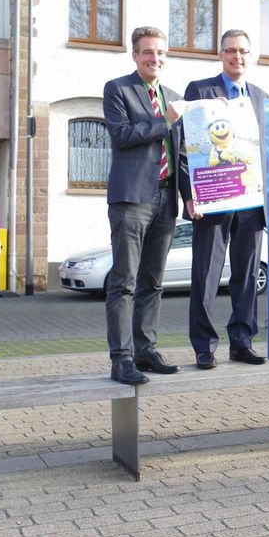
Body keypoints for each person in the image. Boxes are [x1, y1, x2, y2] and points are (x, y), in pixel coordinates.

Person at [102, 26, 187, 384]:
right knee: (124, 282)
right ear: (135, 55)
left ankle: (145, 350)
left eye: (161, 53)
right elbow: (122, 136)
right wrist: (163, 120)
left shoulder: (173, 96)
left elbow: (181, 153)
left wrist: (191, 197)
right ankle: (121, 359)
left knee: (153, 282)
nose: (155, 59)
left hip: (166, 197)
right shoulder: (118, 90)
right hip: (132, 199)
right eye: (148, 52)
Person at [182, 29, 268, 369]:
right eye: (231, 51)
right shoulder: (200, 90)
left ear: (251, 55)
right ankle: (204, 346)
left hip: (251, 199)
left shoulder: (261, 96)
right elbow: (185, 146)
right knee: (205, 274)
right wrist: (189, 196)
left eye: (243, 51)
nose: (238, 57)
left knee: (247, 275)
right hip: (213, 198)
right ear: (221, 54)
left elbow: (267, 148)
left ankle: (242, 341)